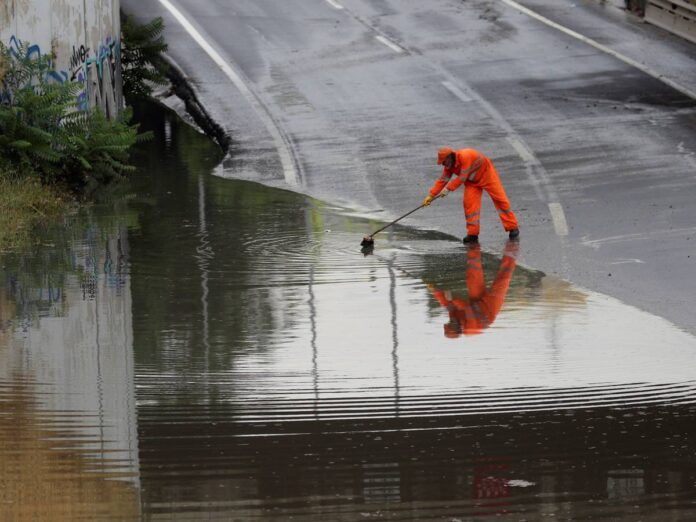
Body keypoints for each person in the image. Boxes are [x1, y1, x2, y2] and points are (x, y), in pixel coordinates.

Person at [424, 147, 519, 243]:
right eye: (442, 163)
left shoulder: (465, 156)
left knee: (500, 200)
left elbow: (462, 177)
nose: (444, 164)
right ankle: (472, 234)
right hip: (471, 182)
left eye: (444, 162)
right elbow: (443, 180)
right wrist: (431, 196)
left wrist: (448, 189)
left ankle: (512, 227)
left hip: (487, 175)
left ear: (450, 157)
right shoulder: (449, 166)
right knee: (469, 205)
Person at [428, 241, 517, 337]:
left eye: (449, 322)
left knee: (473, 276)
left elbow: (447, 304)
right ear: (457, 329)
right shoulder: (471, 328)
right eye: (451, 324)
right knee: (503, 279)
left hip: (475, 303)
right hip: (489, 308)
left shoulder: (454, 319)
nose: (450, 321)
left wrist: (435, 290)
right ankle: (512, 249)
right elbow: (467, 307)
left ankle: (473, 247)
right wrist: (454, 299)